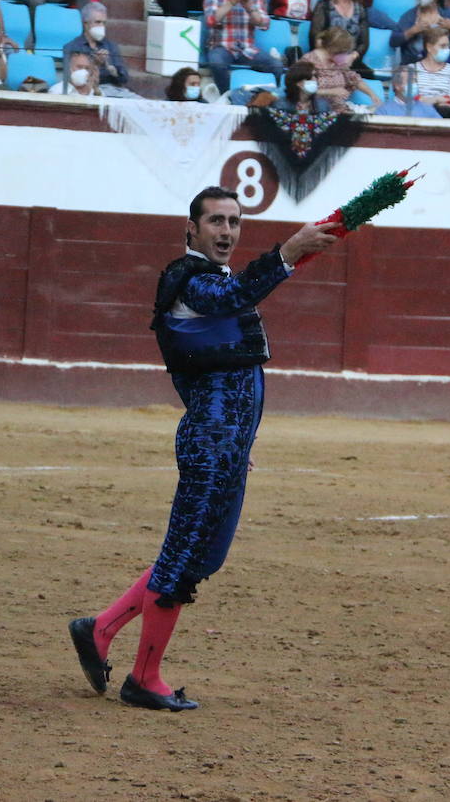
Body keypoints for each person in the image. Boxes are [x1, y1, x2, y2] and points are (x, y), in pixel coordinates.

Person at [67, 186, 342, 713]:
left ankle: (99, 629)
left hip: (228, 443)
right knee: (183, 560)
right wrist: (288, 252)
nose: (227, 231)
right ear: (191, 230)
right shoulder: (186, 279)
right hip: (210, 444)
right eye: (216, 221)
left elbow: (233, 351)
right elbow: (231, 300)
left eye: (235, 222)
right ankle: (144, 677)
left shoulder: (212, 279)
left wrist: (241, 441)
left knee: (200, 558)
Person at [204, 0, 284, 94]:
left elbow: (265, 23)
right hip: (222, 47)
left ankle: (266, 99)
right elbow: (211, 20)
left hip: (247, 50)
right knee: (216, 61)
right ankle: (227, 97)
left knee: (277, 66)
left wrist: (249, 8)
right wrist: (232, 1)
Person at [299, 25, 382, 111]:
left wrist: (372, 94)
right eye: (344, 52)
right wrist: (333, 91)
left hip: (338, 110)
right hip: (316, 111)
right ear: (333, 49)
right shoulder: (308, 60)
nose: (345, 56)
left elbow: (354, 78)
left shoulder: (337, 62)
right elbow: (304, 89)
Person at [311, 0, 372, 74]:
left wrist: (352, 57)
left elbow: (364, 43)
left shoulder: (360, 9)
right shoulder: (324, 6)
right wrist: (331, 57)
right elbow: (315, 36)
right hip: (326, 56)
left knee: (368, 74)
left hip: (351, 59)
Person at [62, 1, 129, 87]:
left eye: (104, 23)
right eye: (98, 22)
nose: (102, 26)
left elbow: (124, 78)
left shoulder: (111, 46)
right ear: (85, 23)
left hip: (113, 90)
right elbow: (71, 78)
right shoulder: (71, 47)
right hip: (86, 91)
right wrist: (94, 65)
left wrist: (111, 69)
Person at [410, 25, 450, 114]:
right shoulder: (412, 68)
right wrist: (438, 99)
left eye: (448, 46)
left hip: (443, 112)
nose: (447, 50)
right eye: (443, 46)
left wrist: (431, 100)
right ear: (429, 47)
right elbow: (411, 95)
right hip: (417, 110)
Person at [376, 63, 444, 116]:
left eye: (415, 81)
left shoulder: (427, 109)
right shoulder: (384, 111)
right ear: (397, 85)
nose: (415, 84)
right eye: (411, 81)